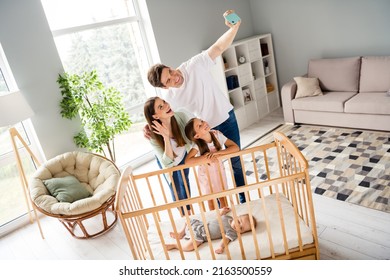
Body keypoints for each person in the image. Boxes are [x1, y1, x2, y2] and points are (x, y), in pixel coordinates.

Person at [146, 10, 246, 203]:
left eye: (170, 71)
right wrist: (148, 126)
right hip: (203, 130)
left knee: (236, 161)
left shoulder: (193, 65)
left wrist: (235, 27)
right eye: (169, 80)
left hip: (226, 119)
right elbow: (161, 115)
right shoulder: (171, 98)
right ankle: (220, 205)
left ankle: (243, 199)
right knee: (210, 167)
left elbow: (218, 47)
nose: (175, 76)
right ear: (165, 86)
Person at [144, 96, 193, 215]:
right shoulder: (153, 136)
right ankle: (184, 217)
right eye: (161, 106)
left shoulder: (181, 116)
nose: (166, 105)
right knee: (177, 190)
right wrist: (166, 137)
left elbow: (194, 135)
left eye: (164, 102)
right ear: (155, 116)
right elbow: (167, 162)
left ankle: (190, 213)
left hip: (183, 157)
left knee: (185, 183)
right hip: (169, 163)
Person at [185, 117, 238, 210]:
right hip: (206, 176)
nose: (204, 123)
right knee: (211, 201)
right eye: (200, 125)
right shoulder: (197, 145)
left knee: (223, 198)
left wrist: (217, 153)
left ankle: (225, 217)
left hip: (219, 172)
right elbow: (188, 161)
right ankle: (216, 220)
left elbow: (235, 148)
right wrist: (205, 158)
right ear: (197, 136)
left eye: (201, 121)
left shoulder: (217, 135)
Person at [166, 207, 256, 254]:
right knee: (188, 221)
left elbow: (225, 239)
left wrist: (221, 247)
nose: (237, 226)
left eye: (241, 228)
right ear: (236, 217)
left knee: (190, 246)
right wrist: (222, 212)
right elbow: (218, 219)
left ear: (242, 232)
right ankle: (181, 233)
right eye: (239, 222)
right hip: (201, 225)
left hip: (202, 235)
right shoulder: (228, 217)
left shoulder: (232, 232)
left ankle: (175, 245)